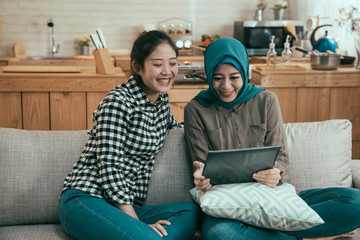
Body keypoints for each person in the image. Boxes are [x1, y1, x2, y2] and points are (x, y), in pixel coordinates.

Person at [184, 37, 360, 240]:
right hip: (227, 205)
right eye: (217, 78)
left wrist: (277, 173)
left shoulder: (266, 100)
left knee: (355, 202)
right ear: (208, 75)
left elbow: (281, 156)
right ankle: (309, 236)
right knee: (220, 233)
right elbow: (201, 165)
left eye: (234, 77)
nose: (226, 86)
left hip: (274, 197)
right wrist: (202, 179)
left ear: (244, 72)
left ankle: (269, 233)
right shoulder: (195, 109)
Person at [59, 30, 202, 240]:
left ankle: (141, 235)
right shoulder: (117, 102)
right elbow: (109, 168)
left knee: (192, 212)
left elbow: (175, 126)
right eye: (157, 64)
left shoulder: (160, 102)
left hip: (123, 208)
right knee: (147, 237)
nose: (167, 71)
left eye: (172, 63)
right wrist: (135, 222)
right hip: (86, 200)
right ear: (137, 67)